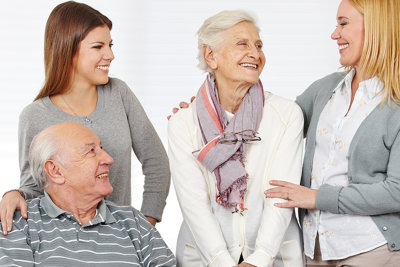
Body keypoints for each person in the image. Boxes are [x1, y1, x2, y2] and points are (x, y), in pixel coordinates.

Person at [0, 1, 170, 234]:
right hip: (63, 243)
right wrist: (14, 194)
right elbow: (34, 187)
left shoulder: (119, 93)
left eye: (110, 45)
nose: (110, 55)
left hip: (118, 240)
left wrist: (144, 225)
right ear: (67, 49)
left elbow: (156, 162)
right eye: (98, 46)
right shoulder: (35, 116)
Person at [264, 0, 400, 266]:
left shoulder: (395, 103)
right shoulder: (325, 90)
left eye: (343, 23)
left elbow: (397, 191)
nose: (334, 34)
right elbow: (273, 124)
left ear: (376, 28)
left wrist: (316, 197)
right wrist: (207, 105)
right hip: (315, 250)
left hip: (372, 250)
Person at [168, 10, 304, 267]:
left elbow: (281, 194)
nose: (255, 53)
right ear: (211, 56)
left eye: (259, 45)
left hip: (273, 256)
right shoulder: (183, 122)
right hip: (205, 258)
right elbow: (192, 203)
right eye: (242, 44)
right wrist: (221, 260)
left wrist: (261, 257)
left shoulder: (287, 114)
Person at [0, 122, 176, 266]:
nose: (108, 159)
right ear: (55, 171)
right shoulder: (19, 224)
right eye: (91, 151)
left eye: (101, 148)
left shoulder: (134, 222)